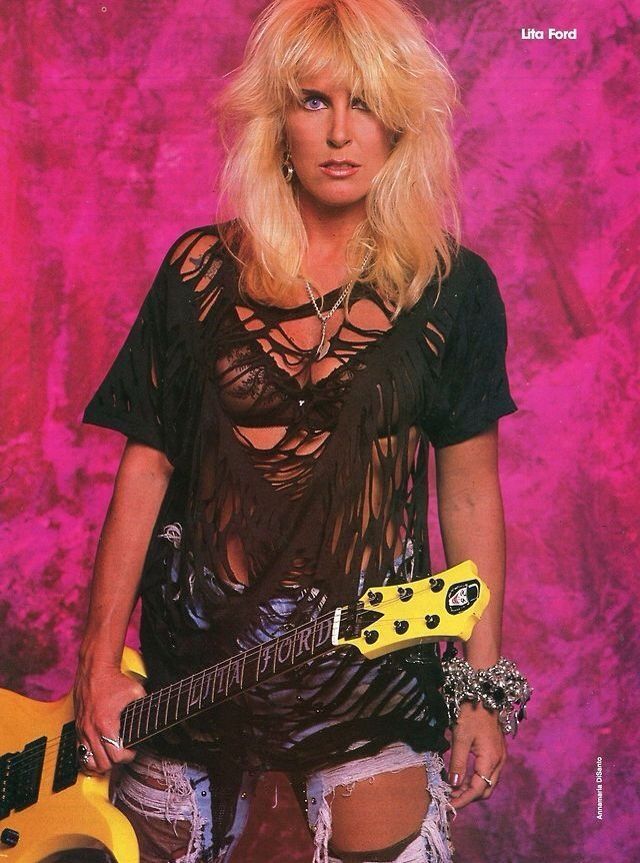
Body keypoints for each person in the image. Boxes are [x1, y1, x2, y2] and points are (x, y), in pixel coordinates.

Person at [74, 1, 530, 862]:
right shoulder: (198, 271)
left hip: (368, 664)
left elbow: (470, 492)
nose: (340, 133)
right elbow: (147, 466)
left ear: (401, 124)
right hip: (192, 669)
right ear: (278, 120)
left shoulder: (451, 288)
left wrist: (479, 685)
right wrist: (98, 659)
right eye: (314, 101)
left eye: (367, 103)